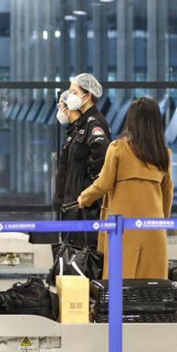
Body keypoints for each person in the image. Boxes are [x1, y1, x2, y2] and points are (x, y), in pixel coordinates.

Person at [78, 97, 173, 279]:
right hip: (154, 228)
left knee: (119, 282)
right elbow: (167, 192)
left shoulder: (118, 148)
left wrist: (84, 198)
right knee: (152, 284)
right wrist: (162, 221)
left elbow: (103, 184)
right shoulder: (164, 154)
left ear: (132, 120)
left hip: (122, 228)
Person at [55, 73, 110, 248]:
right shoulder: (82, 124)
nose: (70, 96)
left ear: (87, 96)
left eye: (74, 92)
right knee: (70, 253)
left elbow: (101, 157)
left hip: (84, 208)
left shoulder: (95, 124)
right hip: (73, 205)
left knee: (83, 255)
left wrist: (87, 191)